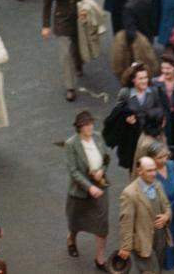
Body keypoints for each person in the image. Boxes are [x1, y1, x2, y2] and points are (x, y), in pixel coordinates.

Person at [65, 111, 112, 268]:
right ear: (79, 128)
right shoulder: (71, 144)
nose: (90, 127)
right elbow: (73, 171)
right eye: (86, 125)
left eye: (91, 123)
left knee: (101, 223)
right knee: (75, 220)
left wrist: (101, 171)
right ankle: (71, 239)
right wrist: (89, 186)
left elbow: (106, 158)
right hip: (81, 189)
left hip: (100, 186)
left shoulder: (98, 137)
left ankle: (100, 259)